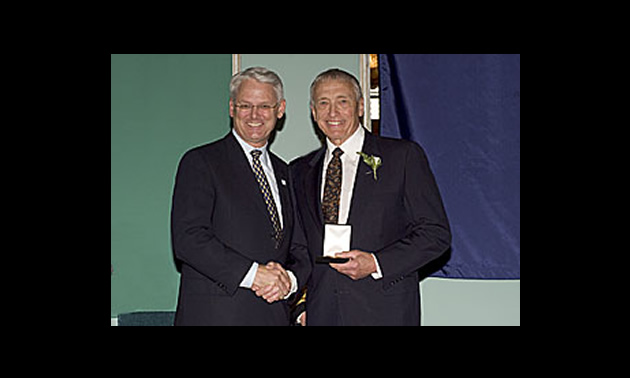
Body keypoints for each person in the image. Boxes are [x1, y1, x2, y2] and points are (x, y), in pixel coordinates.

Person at [290, 69, 451, 325]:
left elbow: (435, 234)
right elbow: (297, 247)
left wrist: (376, 263)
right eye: (323, 103)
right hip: (322, 314)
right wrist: (300, 305)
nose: (333, 113)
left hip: (384, 312)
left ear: (361, 106)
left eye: (342, 101)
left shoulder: (402, 157)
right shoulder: (299, 171)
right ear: (313, 111)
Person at [171, 67, 311, 326]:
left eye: (264, 106)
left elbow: (299, 248)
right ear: (232, 108)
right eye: (245, 105)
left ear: (279, 110)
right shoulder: (201, 162)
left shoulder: (287, 172)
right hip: (216, 317)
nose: (255, 115)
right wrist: (254, 274)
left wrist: (289, 282)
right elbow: (189, 238)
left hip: (274, 315)